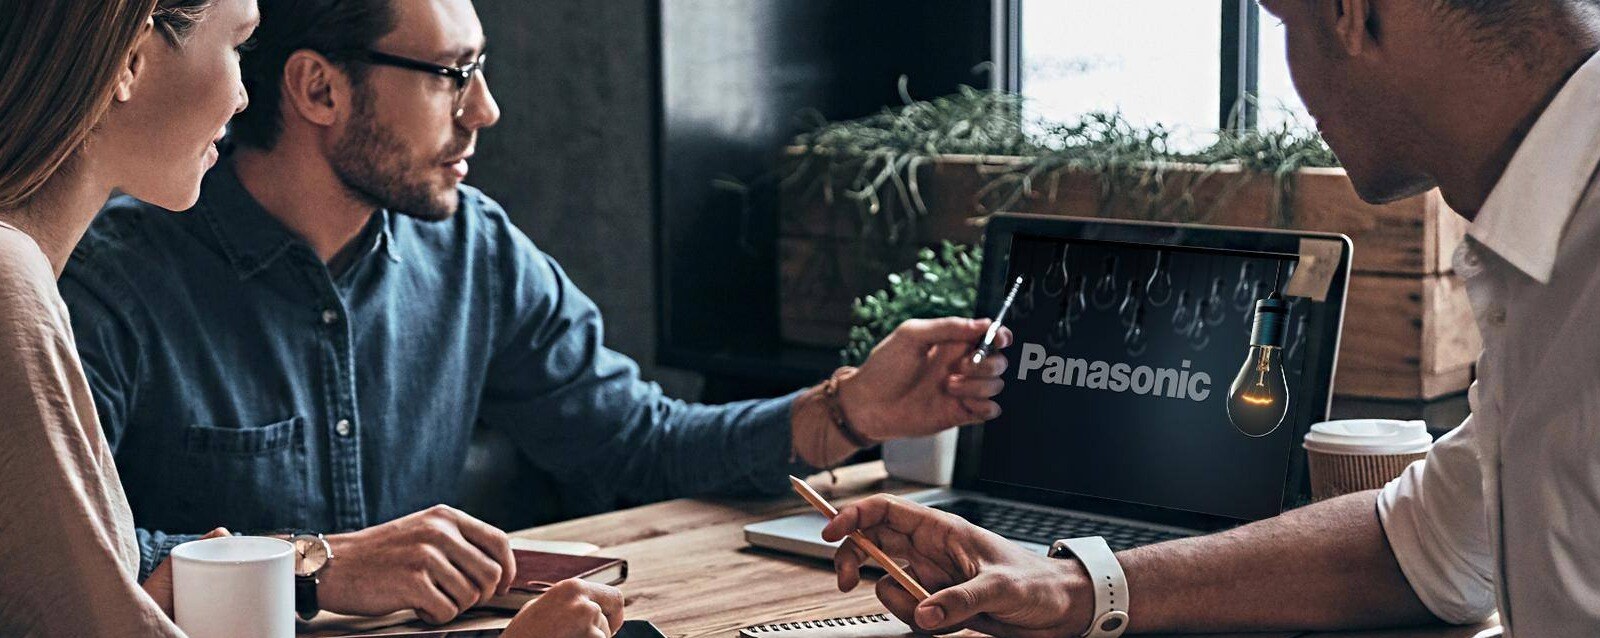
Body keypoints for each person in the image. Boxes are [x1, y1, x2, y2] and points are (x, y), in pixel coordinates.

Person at [58, 0, 1015, 626]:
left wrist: (849, 412)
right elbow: (59, 562)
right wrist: (318, 564)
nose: (486, 111)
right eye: (451, 74)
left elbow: (633, 441)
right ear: (317, 87)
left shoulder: (471, 247)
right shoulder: (104, 280)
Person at [824, 0, 1600, 636]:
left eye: (1284, 25)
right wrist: (1072, 586)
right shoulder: (1547, 248)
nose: (1293, 81)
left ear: (1352, 12)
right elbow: (1425, 545)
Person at [0, 0, 620, 636]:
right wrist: (313, 563)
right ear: (130, 57)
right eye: (238, 47)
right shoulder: (21, 285)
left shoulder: (473, 246)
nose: (245, 94)